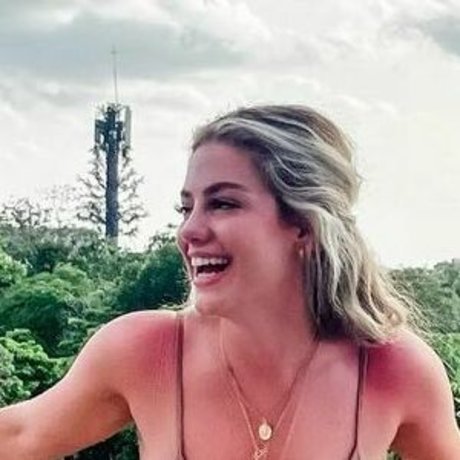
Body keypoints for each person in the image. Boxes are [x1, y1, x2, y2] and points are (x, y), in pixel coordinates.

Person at [0, 105, 459, 459]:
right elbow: (20, 436)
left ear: (303, 226)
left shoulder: (393, 370)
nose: (189, 231)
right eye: (186, 208)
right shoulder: (143, 353)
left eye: (222, 204)